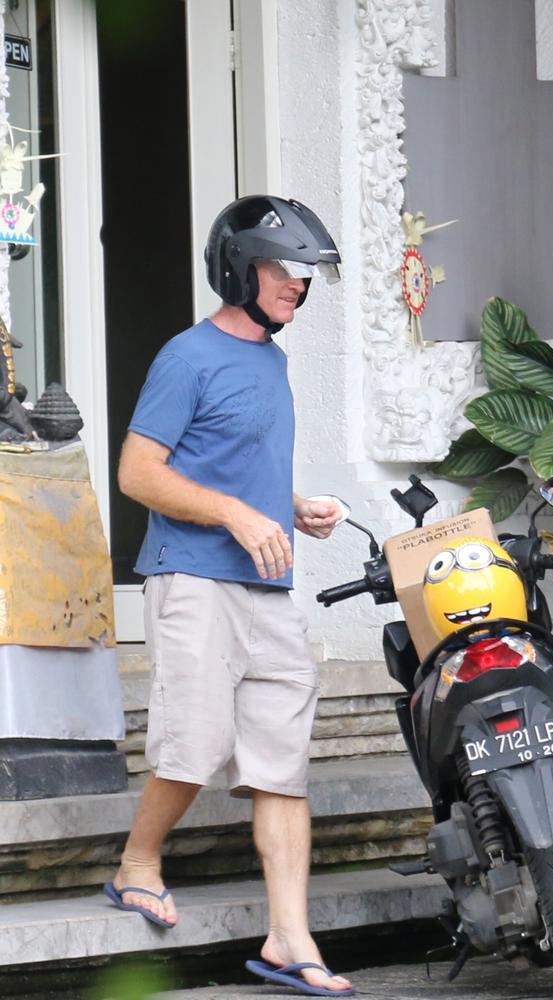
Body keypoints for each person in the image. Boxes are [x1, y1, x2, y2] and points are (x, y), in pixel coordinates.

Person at [104, 195, 354, 997]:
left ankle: (291, 938)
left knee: (282, 768)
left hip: (267, 588)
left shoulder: (272, 364)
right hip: (195, 580)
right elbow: (139, 474)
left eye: (306, 274)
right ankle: (137, 861)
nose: (298, 286)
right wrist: (239, 514)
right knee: (197, 740)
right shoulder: (188, 356)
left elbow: (230, 471)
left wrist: (287, 507)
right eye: (285, 269)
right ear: (238, 266)